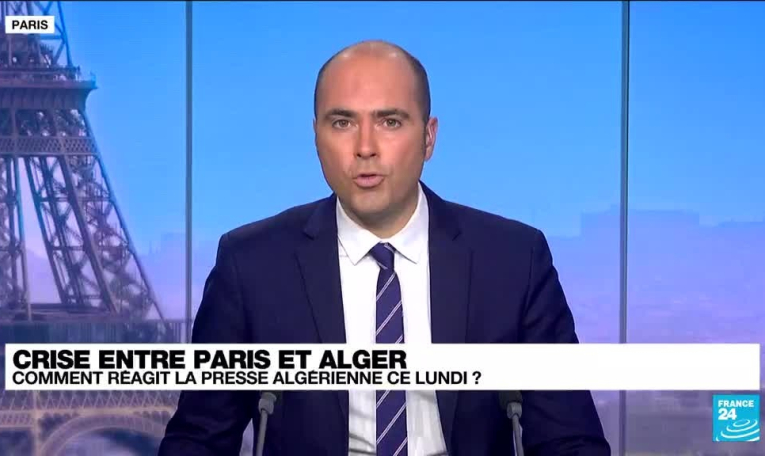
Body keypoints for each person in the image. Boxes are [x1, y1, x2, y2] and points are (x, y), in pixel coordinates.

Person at [159, 40, 610, 456]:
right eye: (342, 123)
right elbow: (199, 439)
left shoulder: (514, 260)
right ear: (316, 136)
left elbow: (570, 440)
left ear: (429, 137)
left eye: (390, 122)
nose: (365, 148)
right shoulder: (252, 265)